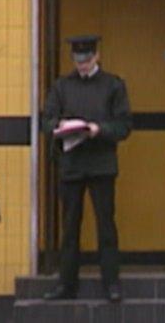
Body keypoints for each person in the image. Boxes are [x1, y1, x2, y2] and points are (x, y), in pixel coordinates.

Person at [40, 35, 132, 303]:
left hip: (101, 164)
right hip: (71, 164)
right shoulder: (61, 86)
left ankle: (111, 283)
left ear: (96, 57)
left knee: (106, 226)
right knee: (69, 228)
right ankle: (66, 284)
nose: (82, 65)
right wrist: (59, 127)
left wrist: (98, 129)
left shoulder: (113, 85)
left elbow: (124, 125)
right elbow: (48, 120)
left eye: (87, 59)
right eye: (78, 60)